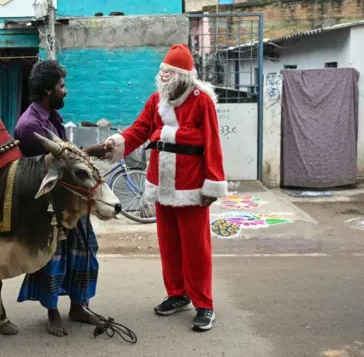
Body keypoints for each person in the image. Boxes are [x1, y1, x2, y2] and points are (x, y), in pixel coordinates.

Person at [87, 44, 228, 332]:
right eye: (161, 71)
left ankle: (204, 304)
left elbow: (212, 142)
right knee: (169, 244)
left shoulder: (202, 101)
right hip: (161, 183)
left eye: (169, 72)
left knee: (196, 248)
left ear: (183, 76)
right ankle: (177, 294)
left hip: (191, 187)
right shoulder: (156, 101)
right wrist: (112, 145)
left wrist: (211, 186)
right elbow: (139, 130)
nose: (163, 76)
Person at [14, 59, 102, 337]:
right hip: (48, 204)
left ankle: (78, 305)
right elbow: (53, 167)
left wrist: (91, 153)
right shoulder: (31, 126)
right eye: (62, 86)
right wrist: (90, 152)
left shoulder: (52, 117)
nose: (66, 91)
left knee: (85, 251)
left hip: (70, 200)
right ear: (48, 90)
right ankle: (52, 312)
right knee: (54, 258)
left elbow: (67, 157)